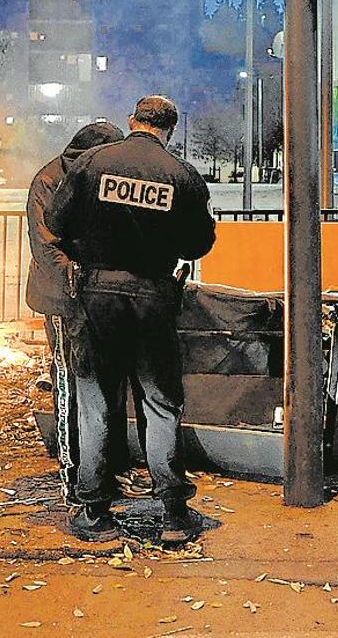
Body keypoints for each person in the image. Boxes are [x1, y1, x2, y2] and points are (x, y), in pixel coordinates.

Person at [47, 95, 216, 544]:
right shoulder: (182, 175)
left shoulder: (95, 162)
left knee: (98, 400)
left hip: (98, 295)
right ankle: (175, 514)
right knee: (160, 402)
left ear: (132, 121)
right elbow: (199, 243)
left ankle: (95, 511)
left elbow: (56, 219)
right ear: (170, 130)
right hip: (153, 296)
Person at [25, 122, 125, 503]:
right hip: (63, 301)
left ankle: (102, 470)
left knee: (105, 383)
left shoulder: (97, 176)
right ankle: (74, 478)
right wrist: (82, 283)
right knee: (69, 383)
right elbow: (46, 248)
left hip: (99, 297)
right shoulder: (49, 182)